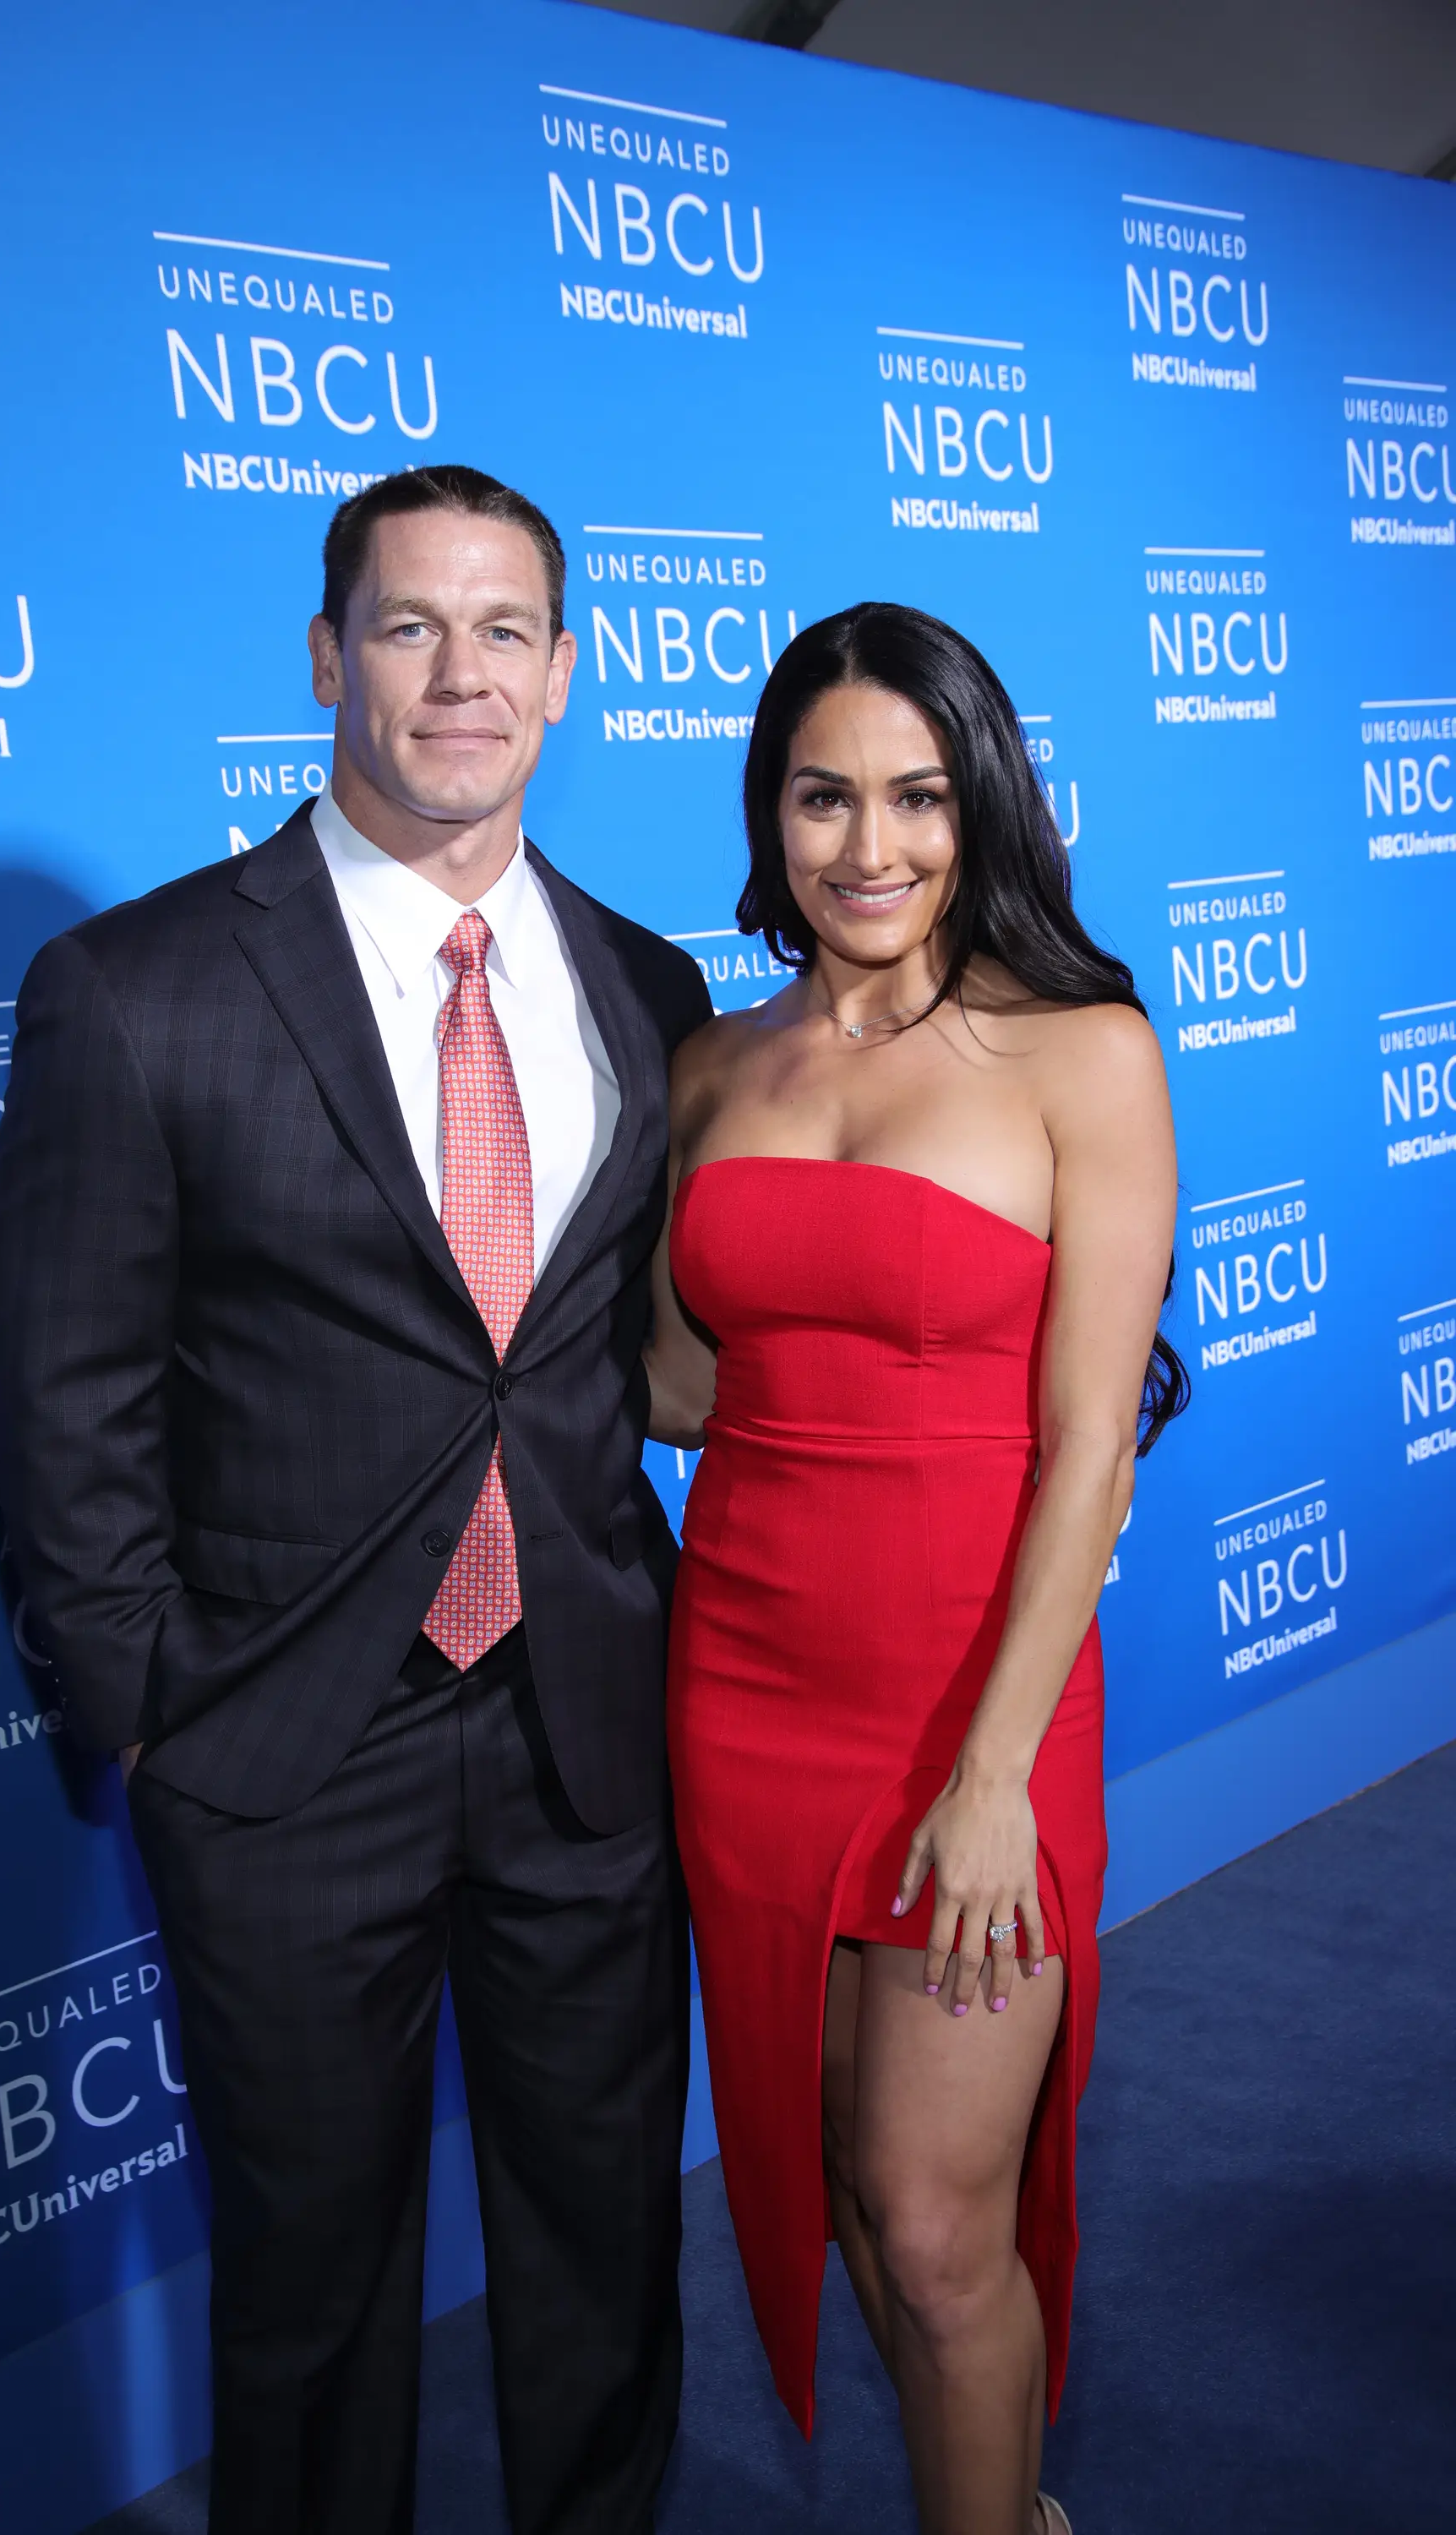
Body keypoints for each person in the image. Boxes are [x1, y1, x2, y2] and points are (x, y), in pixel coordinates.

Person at [0, 466, 712, 2535]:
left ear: (568, 672)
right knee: (310, 2294)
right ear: (325, 658)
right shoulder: (140, 989)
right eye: (406, 627)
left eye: (502, 632)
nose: (456, 675)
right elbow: (61, 1389)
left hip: (587, 1721)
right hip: (284, 1751)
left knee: (602, 2254)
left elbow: (650, 1353)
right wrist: (150, 1706)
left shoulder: (651, 994)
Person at [646, 602, 1186, 2535]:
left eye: (914, 796)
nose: (864, 847)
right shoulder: (712, 1068)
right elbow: (678, 1385)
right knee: (843, 2190)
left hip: (980, 1695)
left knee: (944, 2221)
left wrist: (987, 1783)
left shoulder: (1081, 1054)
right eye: (820, 797)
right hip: (741, 1685)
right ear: (768, 815)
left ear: (987, 812)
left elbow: (1083, 1444)